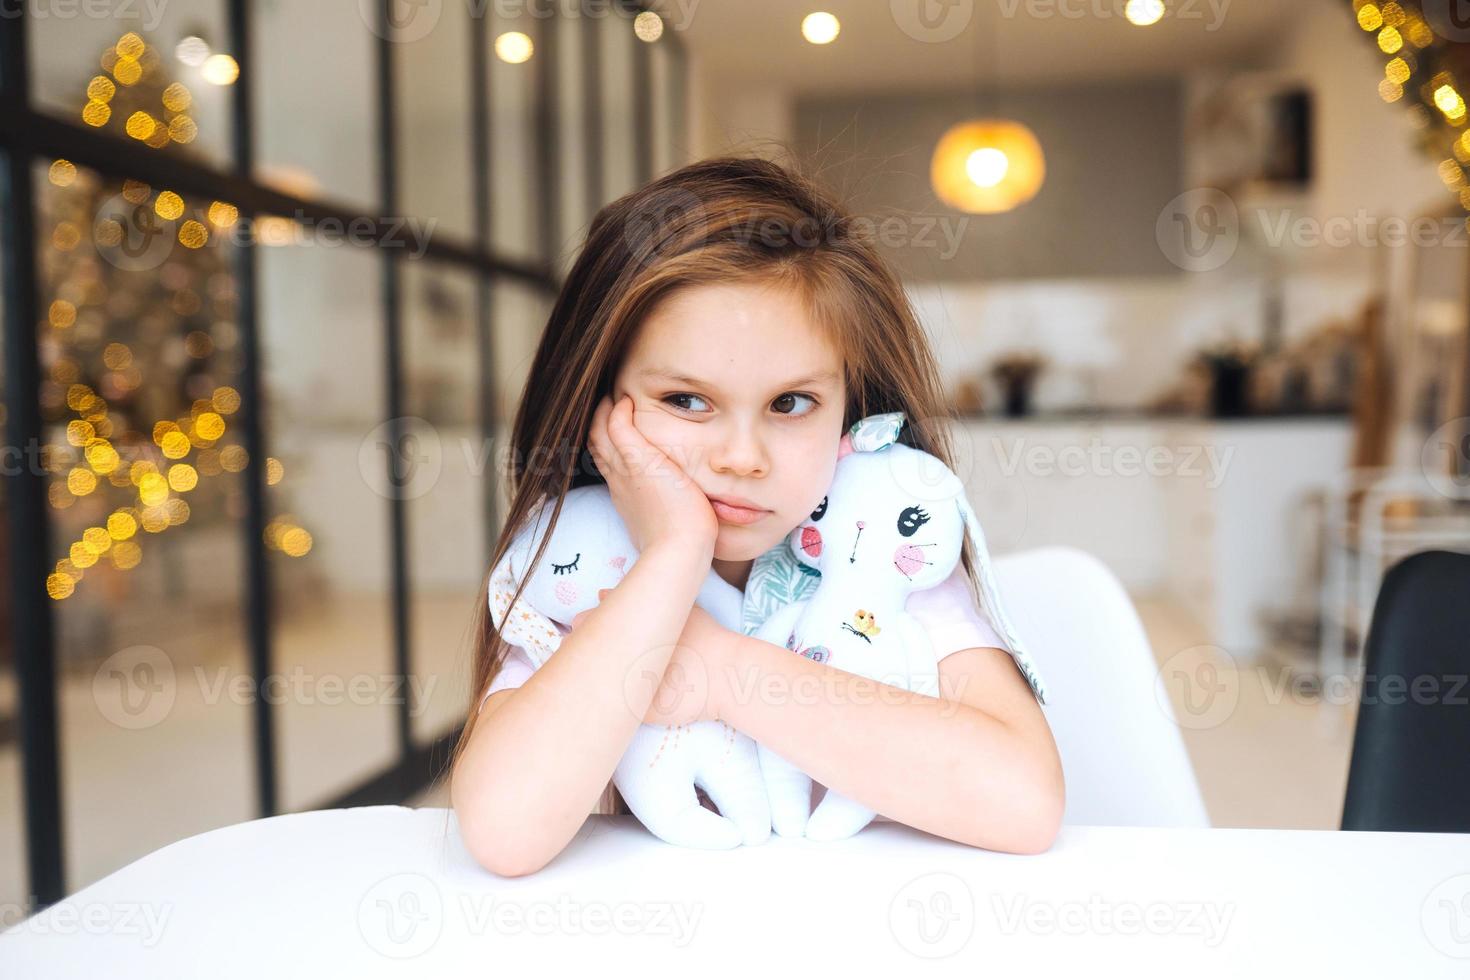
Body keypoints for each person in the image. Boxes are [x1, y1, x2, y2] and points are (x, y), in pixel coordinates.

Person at [448, 156, 1063, 877]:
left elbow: (1024, 802)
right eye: (686, 400)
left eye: (791, 403)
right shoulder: (580, 566)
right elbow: (503, 832)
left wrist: (719, 669)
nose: (743, 457)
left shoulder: (876, 555)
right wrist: (673, 552)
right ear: (598, 407)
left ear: (849, 413)